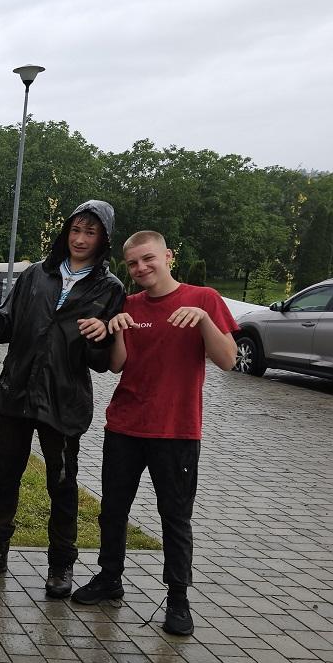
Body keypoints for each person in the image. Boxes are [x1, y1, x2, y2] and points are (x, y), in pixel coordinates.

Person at [71, 231, 236, 635]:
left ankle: (178, 599)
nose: (141, 268)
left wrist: (204, 321)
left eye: (148, 259)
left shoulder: (203, 299)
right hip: (125, 426)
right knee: (113, 510)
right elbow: (117, 365)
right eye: (133, 263)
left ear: (168, 256)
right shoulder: (129, 306)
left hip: (177, 431)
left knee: (175, 517)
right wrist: (117, 330)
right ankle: (110, 578)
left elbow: (228, 360)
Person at [0, 200, 125, 597]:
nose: (80, 239)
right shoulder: (36, 274)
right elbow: (6, 326)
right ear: (66, 232)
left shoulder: (109, 288)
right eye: (76, 230)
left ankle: (61, 564)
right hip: (17, 392)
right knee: (5, 477)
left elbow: (102, 362)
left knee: (62, 484)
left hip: (63, 398)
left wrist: (101, 335)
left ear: (103, 239)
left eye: (90, 232)